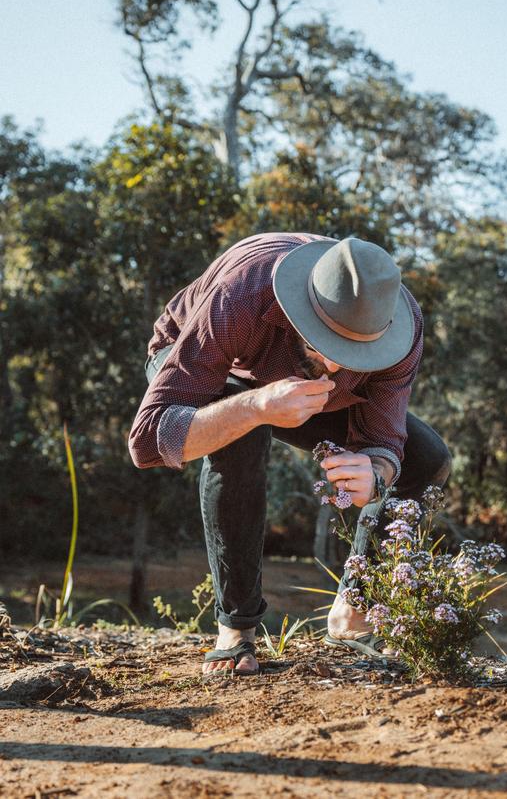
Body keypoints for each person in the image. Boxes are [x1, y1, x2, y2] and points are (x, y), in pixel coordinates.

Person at [129, 232, 451, 675]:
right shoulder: (241, 293)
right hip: (196, 361)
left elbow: (384, 438)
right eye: (327, 344)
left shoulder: (400, 328)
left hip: (289, 383)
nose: (336, 367)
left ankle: (355, 613)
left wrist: (374, 472)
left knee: (427, 458)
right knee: (241, 432)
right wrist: (255, 405)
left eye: (357, 352)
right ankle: (236, 629)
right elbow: (148, 439)